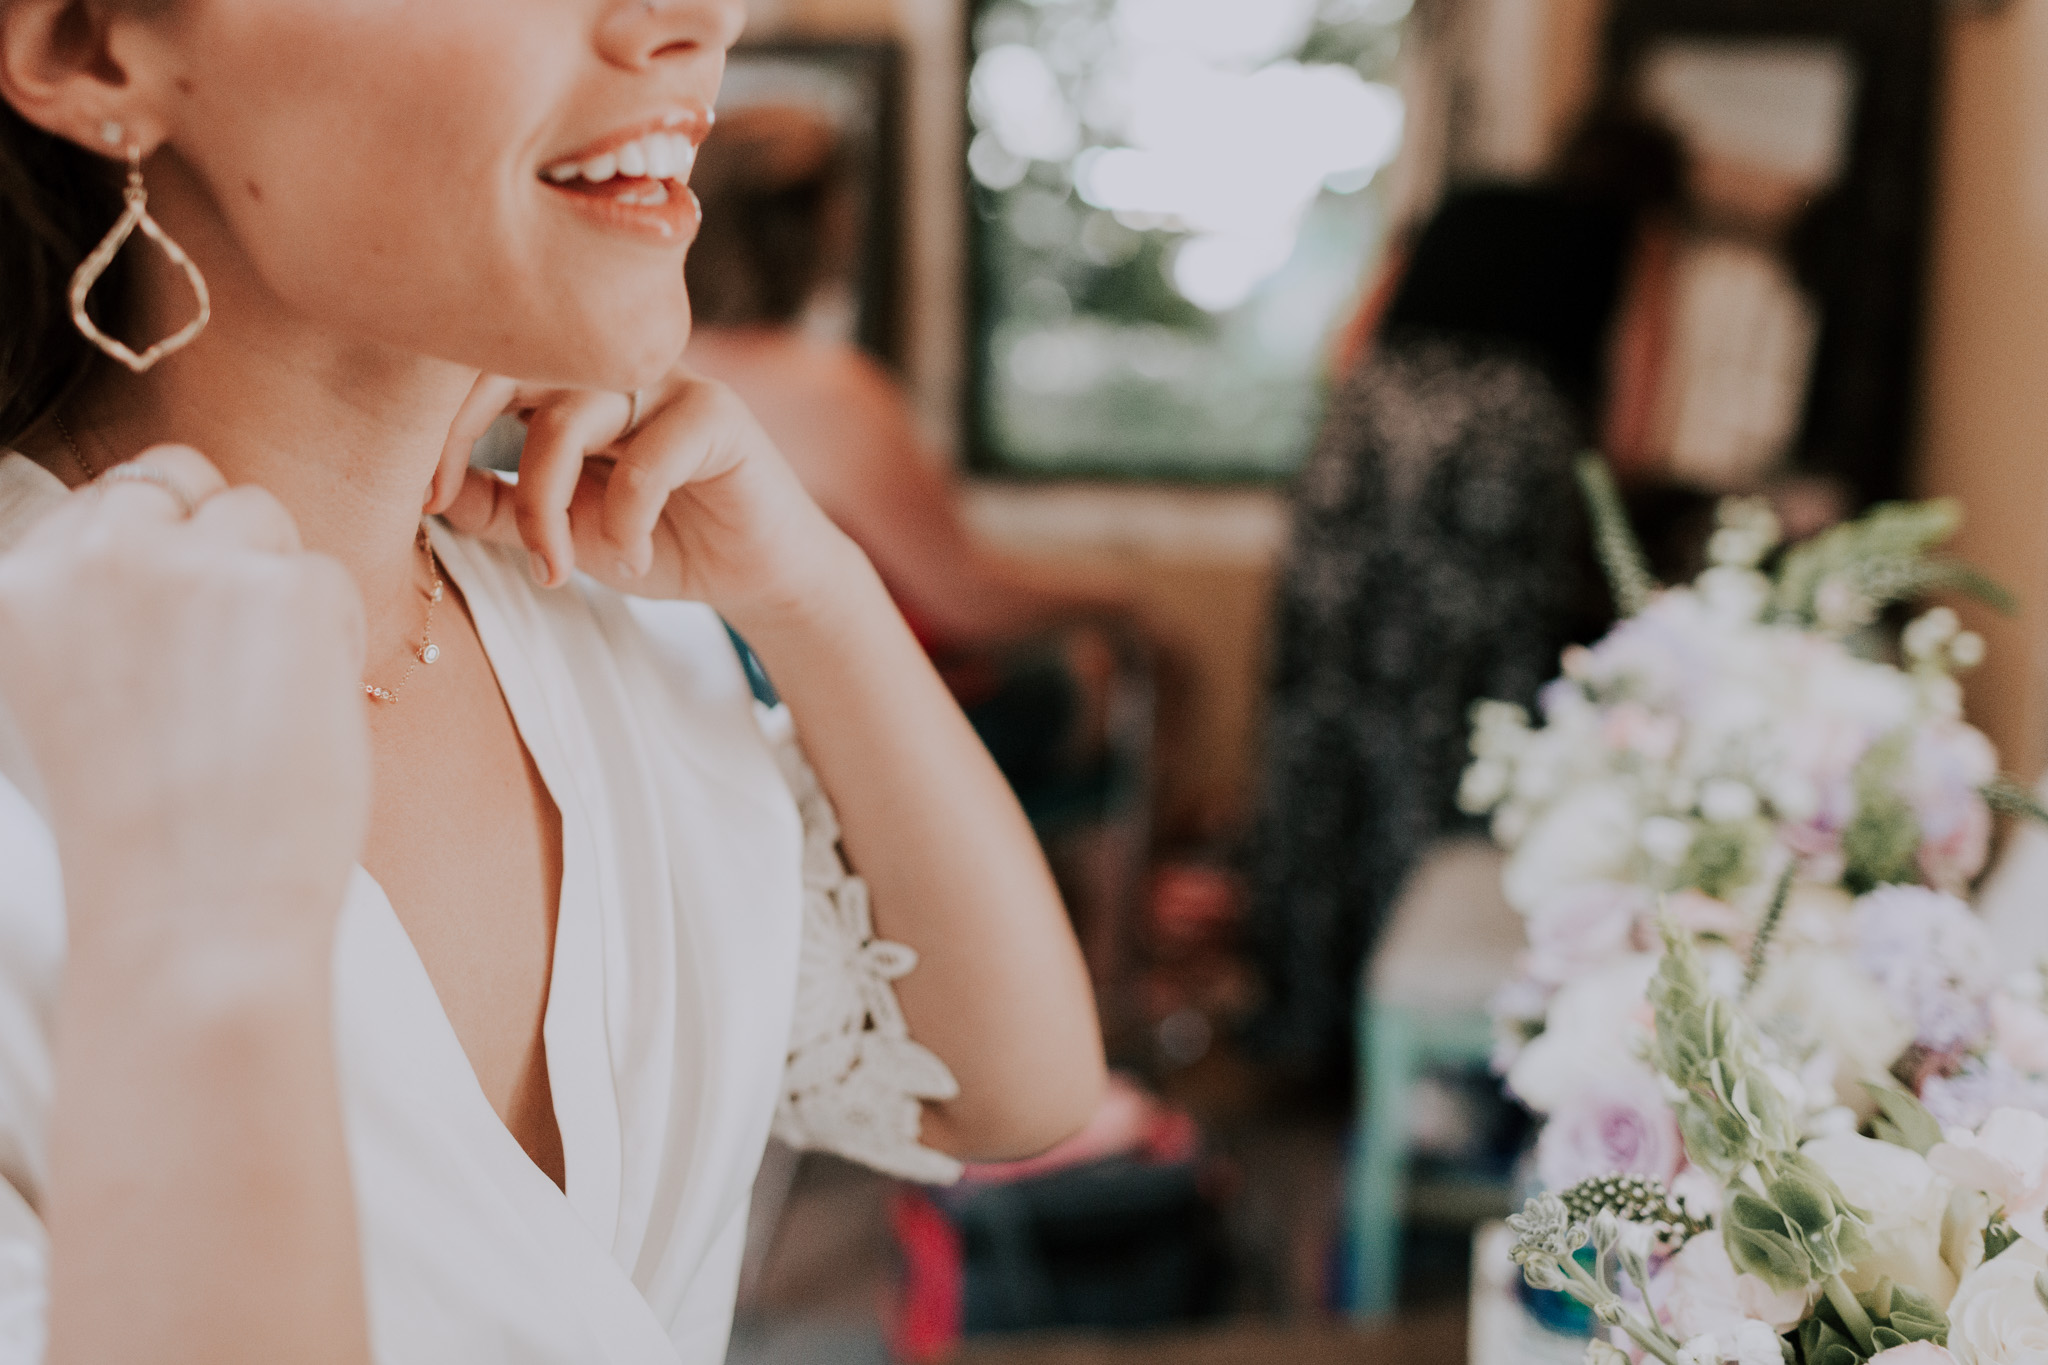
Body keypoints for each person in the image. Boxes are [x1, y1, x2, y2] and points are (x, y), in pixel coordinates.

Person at [0, 2, 1105, 1362]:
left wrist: (815, 594)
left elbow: (1006, 1092)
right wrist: (197, 942)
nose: (700, 17)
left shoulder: (591, 620)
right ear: (86, 48)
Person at [1241, 110, 1687, 1077]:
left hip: (1365, 445)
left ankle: (1304, 1017)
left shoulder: (1462, 207)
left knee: (1327, 717)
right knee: (1454, 733)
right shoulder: (1634, 241)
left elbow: (1346, 351)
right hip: (1493, 472)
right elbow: (1635, 431)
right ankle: (1411, 1029)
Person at [681, 106, 1149, 812]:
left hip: (708, 701)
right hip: (825, 718)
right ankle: (1096, 921)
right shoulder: (831, 390)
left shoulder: (646, 372)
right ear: (820, 233)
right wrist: (1121, 600)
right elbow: (964, 599)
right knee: (1096, 674)